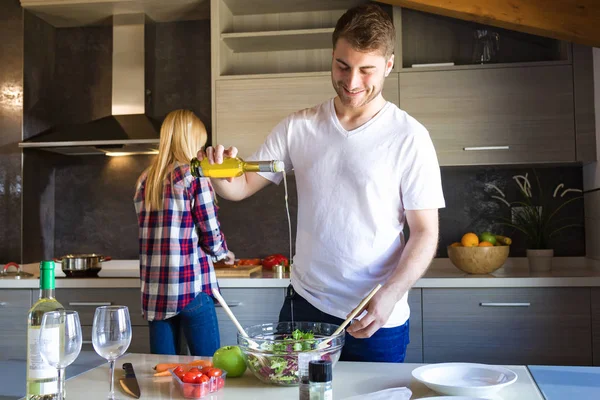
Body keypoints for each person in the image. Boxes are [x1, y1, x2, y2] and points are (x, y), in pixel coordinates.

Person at [198, 4, 445, 362]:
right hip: (305, 307)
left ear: (389, 65)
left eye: (367, 70)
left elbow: (425, 232)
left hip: (377, 314)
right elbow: (241, 187)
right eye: (342, 66)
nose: (352, 81)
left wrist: (391, 293)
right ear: (332, 56)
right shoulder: (298, 127)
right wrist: (216, 172)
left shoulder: (410, 137)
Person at [134, 109, 235, 356]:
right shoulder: (193, 175)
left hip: (156, 292)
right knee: (210, 366)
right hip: (191, 287)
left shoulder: (146, 179)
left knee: (161, 374)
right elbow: (209, 230)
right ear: (190, 143)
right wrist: (223, 252)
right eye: (199, 144)